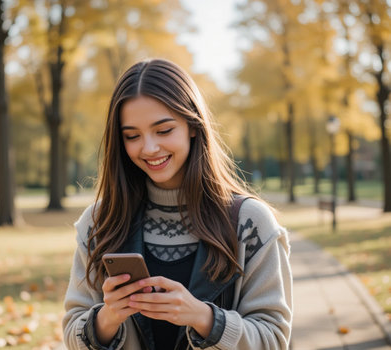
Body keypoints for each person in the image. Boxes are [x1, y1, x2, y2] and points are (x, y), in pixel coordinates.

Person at [62, 58, 293, 350]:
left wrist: (204, 318)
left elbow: (273, 340)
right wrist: (107, 319)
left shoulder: (249, 222)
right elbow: (72, 332)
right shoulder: (99, 222)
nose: (148, 148)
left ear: (193, 126)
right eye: (132, 136)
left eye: (163, 130)